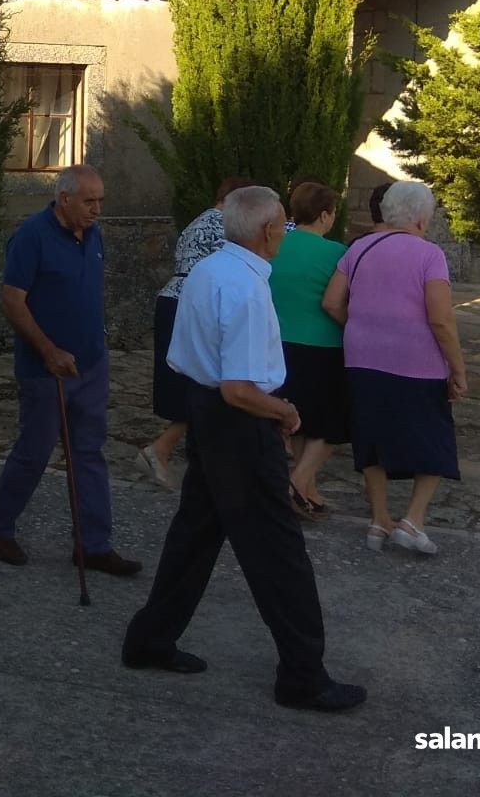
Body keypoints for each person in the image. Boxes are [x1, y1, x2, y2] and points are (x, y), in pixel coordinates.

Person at [121, 187, 365, 713]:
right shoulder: (247, 290)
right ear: (268, 231)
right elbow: (239, 389)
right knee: (279, 552)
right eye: (281, 226)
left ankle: (151, 639)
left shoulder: (210, 271)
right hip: (237, 421)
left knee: (195, 534)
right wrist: (284, 412)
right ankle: (303, 675)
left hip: (208, 414)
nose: (284, 233)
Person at [0, 164, 141, 576]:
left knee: (89, 452)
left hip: (91, 364)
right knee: (34, 451)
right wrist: (48, 350)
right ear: (64, 198)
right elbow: (13, 301)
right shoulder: (31, 236)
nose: (97, 209)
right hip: (45, 368)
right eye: (89, 201)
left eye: (100, 201)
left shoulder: (94, 234)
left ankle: (93, 544)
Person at [322, 181, 466, 556]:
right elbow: (441, 318)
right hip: (417, 361)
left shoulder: (359, 249)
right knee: (434, 438)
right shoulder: (429, 254)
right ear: (421, 217)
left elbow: (332, 302)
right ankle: (413, 519)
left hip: (362, 357)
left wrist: (360, 329)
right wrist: (458, 367)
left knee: (371, 436)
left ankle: (379, 518)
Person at [142, 176, 251, 489]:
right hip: (192, 303)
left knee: (197, 384)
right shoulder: (221, 223)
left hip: (176, 298)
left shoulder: (200, 220)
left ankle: (182, 452)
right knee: (204, 383)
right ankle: (161, 449)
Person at [270, 182, 349, 519]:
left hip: (277, 343)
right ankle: (297, 481)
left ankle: (307, 492)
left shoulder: (274, 246)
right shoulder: (337, 254)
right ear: (324, 215)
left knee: (300, 420)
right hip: (322, 344)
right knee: (334, 423)